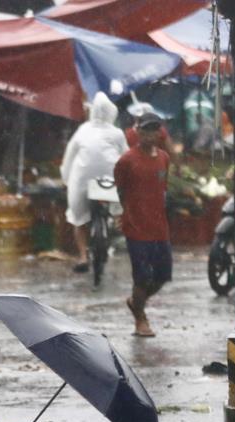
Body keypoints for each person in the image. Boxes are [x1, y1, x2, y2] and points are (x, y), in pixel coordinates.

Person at [114, 112, 172, 338]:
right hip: (136, 228)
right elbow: (120, 191)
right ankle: (140, 318)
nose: (150, 135)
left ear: (160, 133)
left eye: (154, 130)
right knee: (141, 278)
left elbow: (163, 189)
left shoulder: (164, 158)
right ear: (138, 132)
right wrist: (124, 214)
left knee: (162, 276)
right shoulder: (126, 161)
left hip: (159, 227)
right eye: (146, 130)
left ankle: (136, 302)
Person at [60, 92, 127, 273]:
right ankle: (116, 221)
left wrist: (65, 179)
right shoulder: (117, 133)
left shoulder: (83, 130)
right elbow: (127, 158)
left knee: (78, 220)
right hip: (110, 182)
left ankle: (83, 256)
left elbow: (69, 157)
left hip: (81, 182)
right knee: (119, 210)